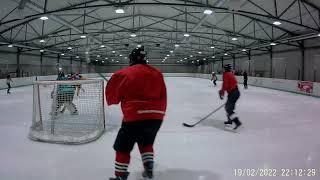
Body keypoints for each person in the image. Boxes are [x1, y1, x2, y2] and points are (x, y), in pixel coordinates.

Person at [105, 46, 167, 180]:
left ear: (131, 59)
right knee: (146, 142)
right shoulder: (157, 73)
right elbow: (163, 95)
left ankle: (120, 176)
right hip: (156, 117)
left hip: (134, 117)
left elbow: (112, 98)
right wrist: (159, 114)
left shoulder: (124, 73)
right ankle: (149, 167)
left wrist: (117, 92)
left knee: (122, 147)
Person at [219, 64, 242, 130]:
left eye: (223, 68)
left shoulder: (226, 74)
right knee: (228, 107)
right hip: (235, 93)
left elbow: (225, 85)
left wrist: (222, 93)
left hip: (233, 93)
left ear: (226, 69)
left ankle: (237, 122)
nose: (223, 69)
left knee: (228, 109)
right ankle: (230, 121)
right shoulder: (230, 74)